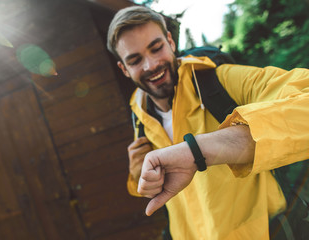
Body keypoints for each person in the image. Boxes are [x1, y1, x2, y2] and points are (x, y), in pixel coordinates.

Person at [106, 5, 309, 240]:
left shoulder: (219, 81)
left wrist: (208, 148)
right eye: (135, 60)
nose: (150, 65)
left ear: (170, 42)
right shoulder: (139, 116)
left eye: (156, 48)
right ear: (124, 69)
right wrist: (139, 177)